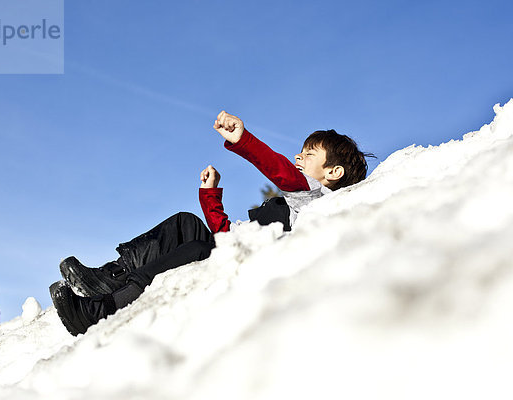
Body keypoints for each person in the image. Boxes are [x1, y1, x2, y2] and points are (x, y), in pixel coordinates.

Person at [50, 111, 372, 336]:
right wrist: (210, 196)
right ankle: (110, 276)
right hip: (233, 250)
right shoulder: (287, 204)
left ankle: (103, 309)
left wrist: (243, 139)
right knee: (185, 224)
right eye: (300, 152)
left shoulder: (316, 200)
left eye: (309, 154)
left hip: (250, 268)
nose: (299, 158)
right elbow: (225, 235)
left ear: (333, 173)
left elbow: (281, 171)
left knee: (198, 246)